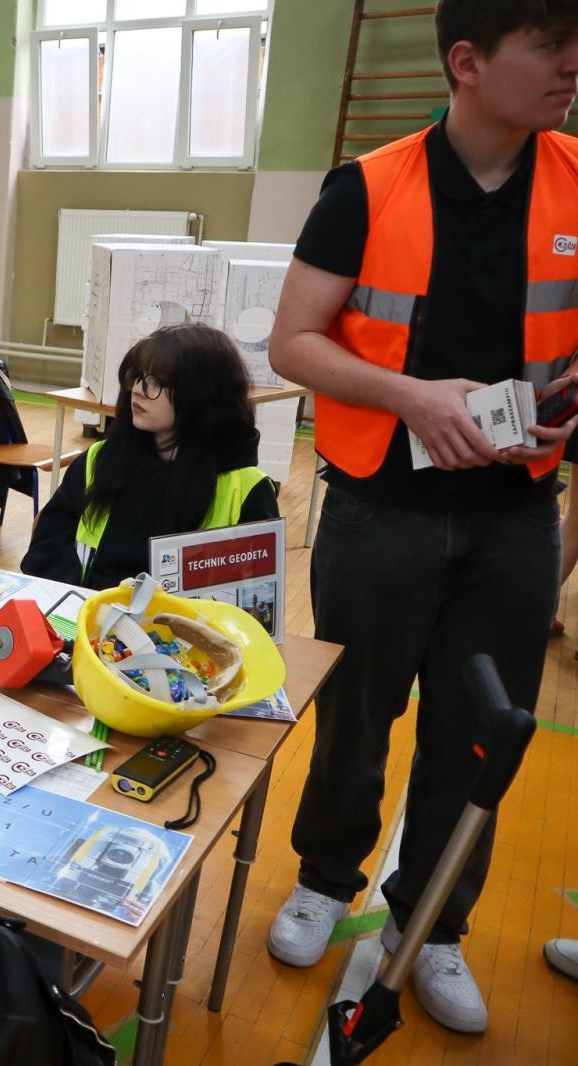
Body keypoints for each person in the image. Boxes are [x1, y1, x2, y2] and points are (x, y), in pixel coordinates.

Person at [266, 1, 578, 1035]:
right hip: (378, 508)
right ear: (467, 62)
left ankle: (431, 928)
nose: (571, 65)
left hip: (512, 520)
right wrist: (412, 395)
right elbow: (292, 342)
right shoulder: (364, 187)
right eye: (549, 45)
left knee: (477, 738)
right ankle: (322, 876)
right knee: (355, 716)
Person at [20, 322, 278, 588]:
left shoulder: (247, 489)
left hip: (180, 627)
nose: (138, 390)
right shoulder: (99, 460)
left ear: (201, 396)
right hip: (86, 616)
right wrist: (91, 606)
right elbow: (45, 550)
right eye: (137, 376)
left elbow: (254, 598)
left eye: (156, 382)